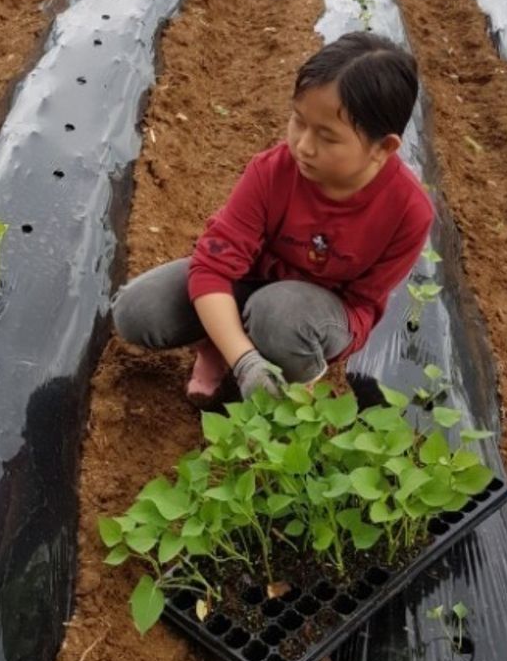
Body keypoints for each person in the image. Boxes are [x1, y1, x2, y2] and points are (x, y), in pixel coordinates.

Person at [113, 32, 434, 405]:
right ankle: (221, 347)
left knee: (279, 316)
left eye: (327, 138)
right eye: (299, 121)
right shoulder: (273, 171)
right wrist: (245, 361)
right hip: (252, 282)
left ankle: (298, 382)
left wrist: (302, 345)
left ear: (384, 148)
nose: (303, 145)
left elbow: (361, 303)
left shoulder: (408, 212)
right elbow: (213, 267)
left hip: (318, 314)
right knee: (137, 311)